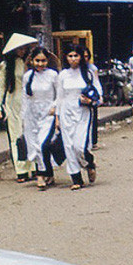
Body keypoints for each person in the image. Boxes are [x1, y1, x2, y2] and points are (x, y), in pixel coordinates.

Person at [56, 43, 102, 190]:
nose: (73, 59)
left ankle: (89, 162)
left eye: (76, 55)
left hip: (83, 112)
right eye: (70, 56)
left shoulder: (88, 74)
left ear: (81, 57)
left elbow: (99, 95)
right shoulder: (62, 75)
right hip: (66, 112)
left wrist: (91, 101)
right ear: (66, 57)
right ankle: (76, 178)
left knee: (79, 145)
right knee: (68, 146)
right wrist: (57, 117)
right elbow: (59, 97)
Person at [0, 33, 37, 182]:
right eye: (19, 48)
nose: (22, 50)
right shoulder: (6, 66)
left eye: (24, 48)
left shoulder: (31, 63)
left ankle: (34, 167)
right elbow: (1, 87)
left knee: (31, 134)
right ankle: (21, 170)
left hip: (30, 101)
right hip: (13, 102)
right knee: (16, 136)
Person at [21, 46, 63, 190]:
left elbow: (59, 94)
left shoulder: (53, 75)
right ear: (32, 61)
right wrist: (23, 117)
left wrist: (55, 108)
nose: (40, 64)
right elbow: (25, 97)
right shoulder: (28, 76)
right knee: (34, 145)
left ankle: (41, 174)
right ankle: (46, 173)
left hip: (48, 115)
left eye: (43, 61)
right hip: (32, 114)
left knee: (42, 144)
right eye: (37, 61)